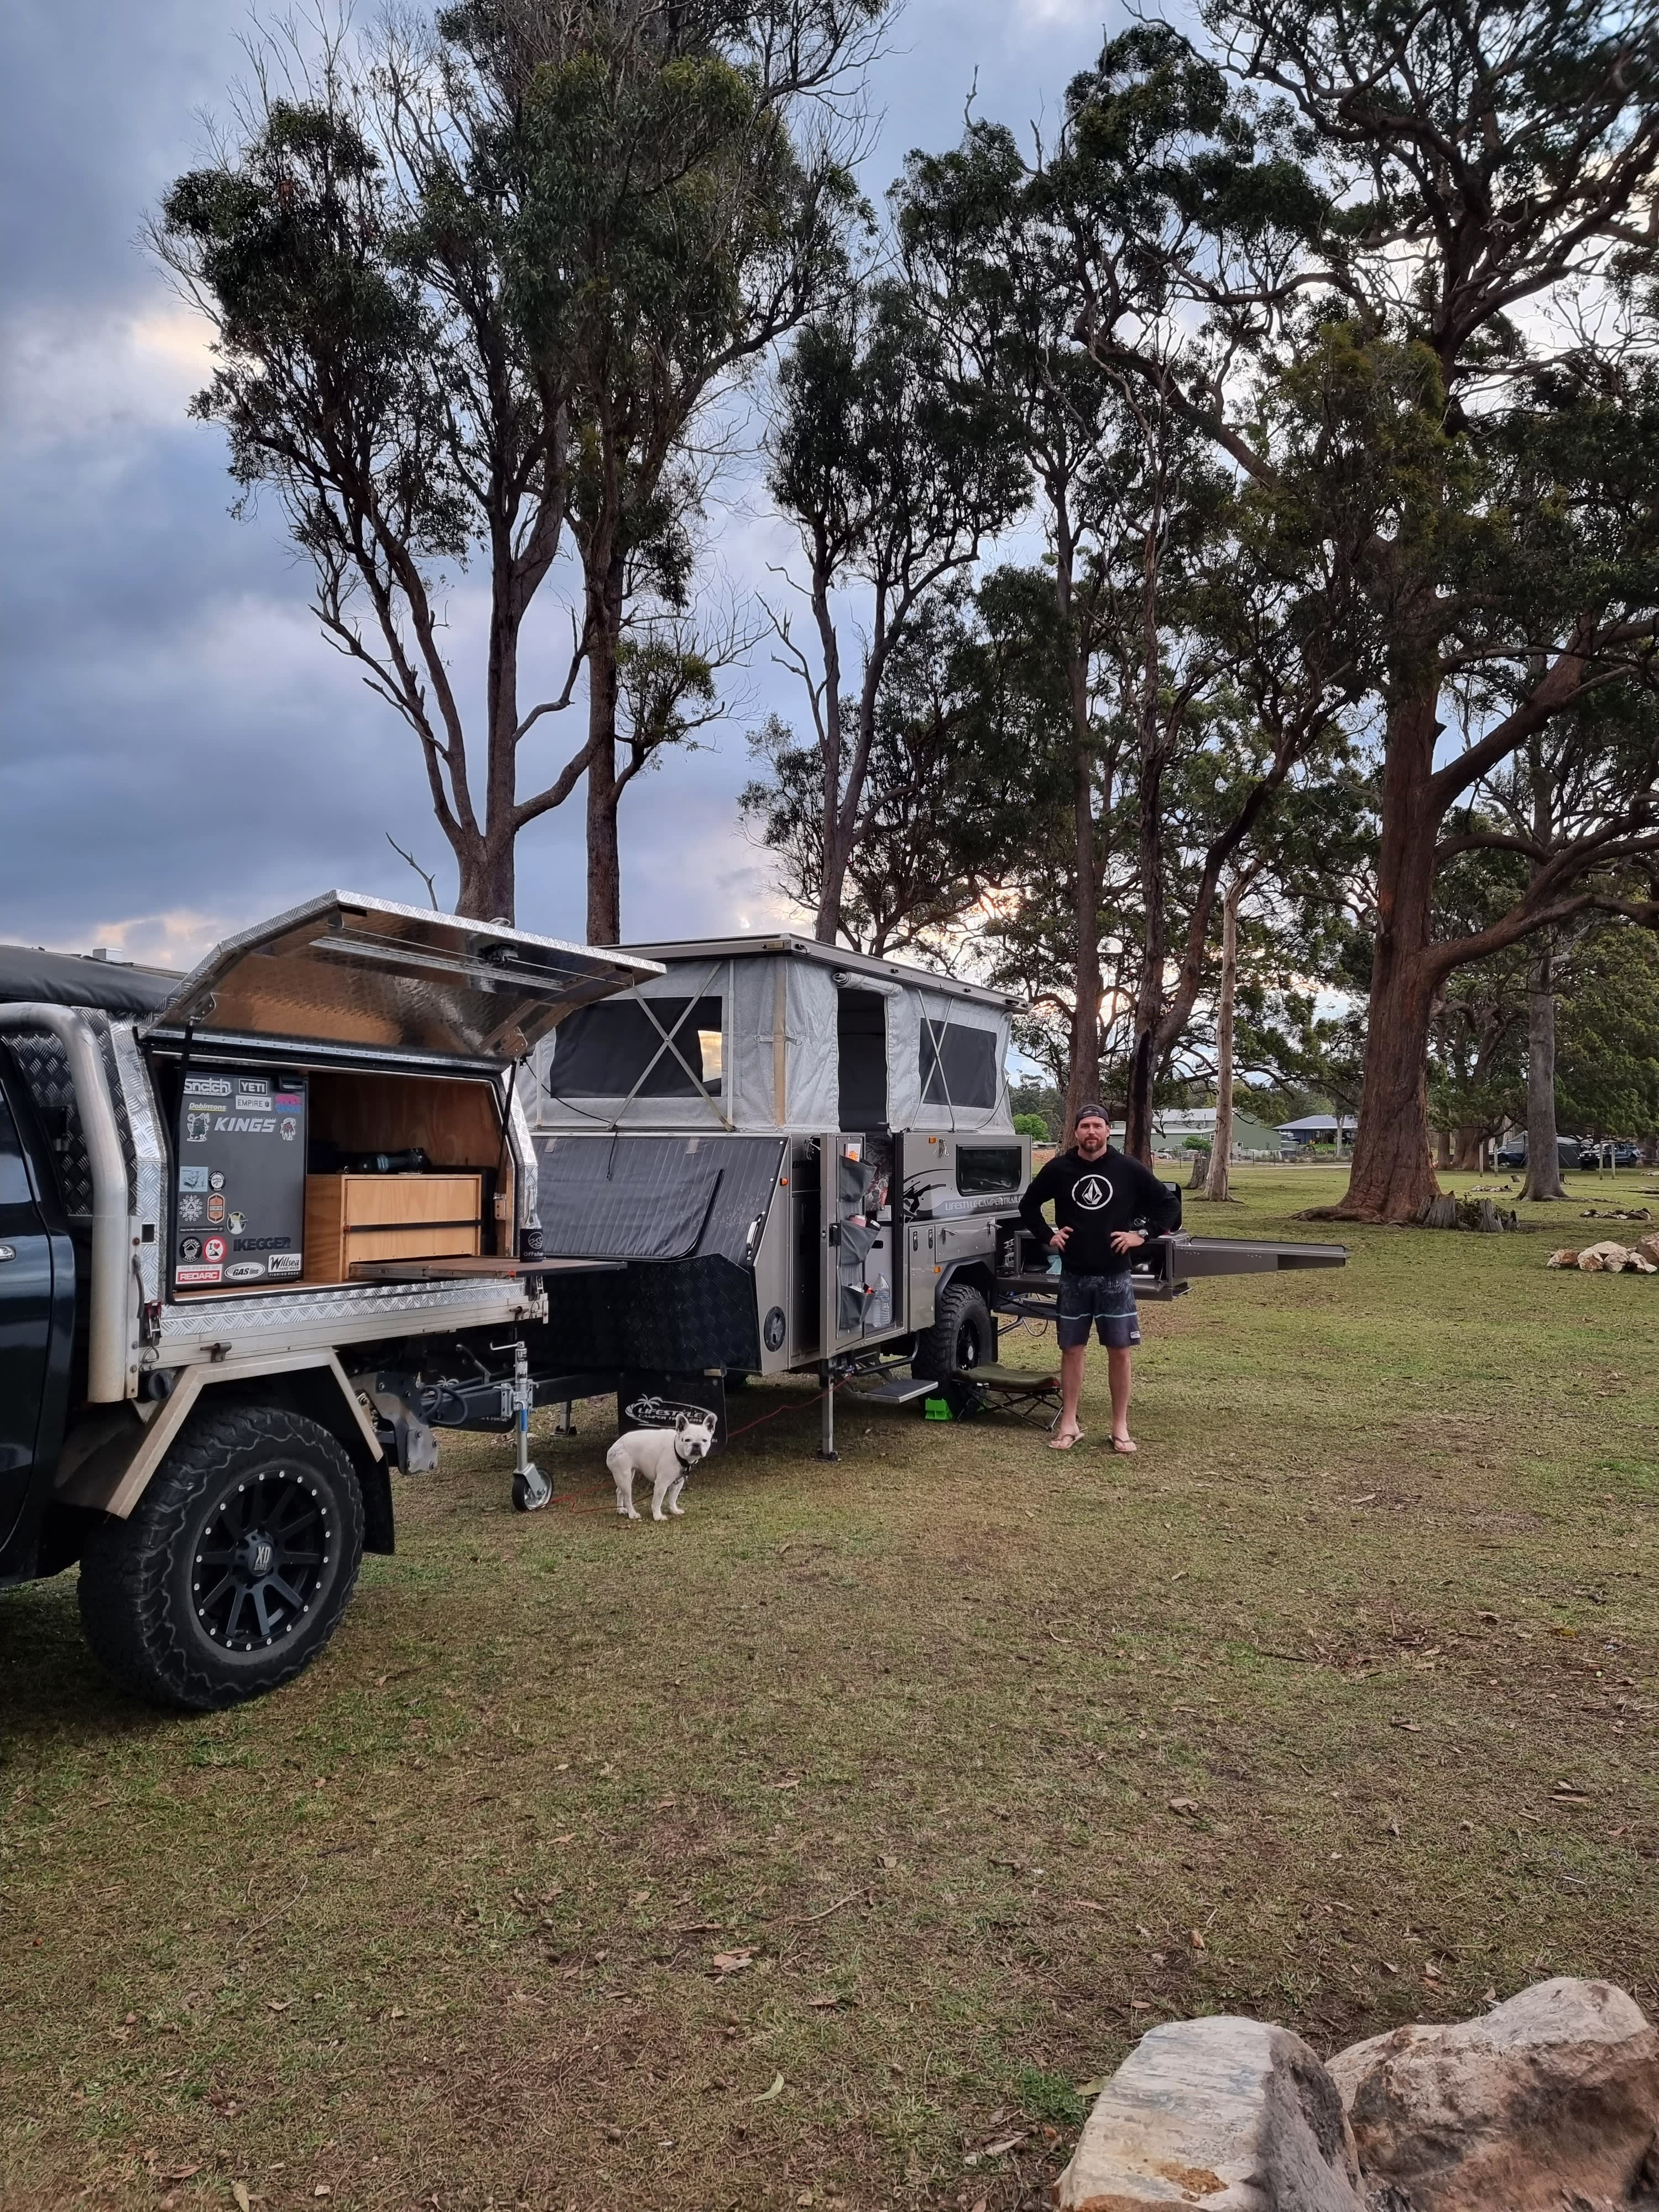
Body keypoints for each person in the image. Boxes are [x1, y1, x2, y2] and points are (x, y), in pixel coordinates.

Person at [1018, 1104, 1179, 1452]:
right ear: (1076, 1132)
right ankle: (1070, 1424)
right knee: (1072, 1350)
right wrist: (1048, 1235)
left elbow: (1169, 1206)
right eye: (1085, 1126)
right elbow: (1028, 1206)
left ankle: (1119, 1427)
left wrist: (1142, 1235)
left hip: (1115, 1277)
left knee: (1119, 1351)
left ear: (1108, 1131)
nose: (1091, 1132)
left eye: (1098, 1126)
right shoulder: (1059, 1168)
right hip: (1074, 1275)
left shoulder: (1128, 1168)